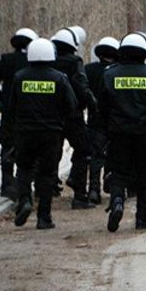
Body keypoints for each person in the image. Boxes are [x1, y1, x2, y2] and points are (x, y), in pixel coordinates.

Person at [99, 33, 146, 232]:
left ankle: (117, 200)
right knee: (144, 174)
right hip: (145, 133)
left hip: (118, 133)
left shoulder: (109, 75)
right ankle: (142, 217)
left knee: (118, 171)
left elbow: (102, 105)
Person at [9, 38, 78, 229]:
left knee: (24, 168)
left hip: (25, 132)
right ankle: (44, 217)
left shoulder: (19, 77)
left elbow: (11, 106)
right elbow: (71, 105)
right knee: (47, 174)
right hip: (51, 133)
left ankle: (24, 200)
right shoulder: (59, 78)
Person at [0, 28, 38, 200]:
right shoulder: (34, 61)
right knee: (30, 147)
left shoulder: (6, 60)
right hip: (31, 113)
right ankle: (25, 185)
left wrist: (2, 99)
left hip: (9, 113)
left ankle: (7, 184)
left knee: (7, 146)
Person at [51, 28, 97, 209]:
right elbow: (81, 86)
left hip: (52, 116)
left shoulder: (49, 60)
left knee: (51, 152)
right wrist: (92, 103)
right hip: (72, 116)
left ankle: (46, 191)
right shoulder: (75, 62)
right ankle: (79, 195)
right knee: (84, 150)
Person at [84, 37, 120, 204]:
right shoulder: (118, 71)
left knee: (96, 155)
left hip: (96, 119)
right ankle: (111, 184)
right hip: (116, 119)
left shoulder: (89, 70)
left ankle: (94, 189)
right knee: (115, 152)